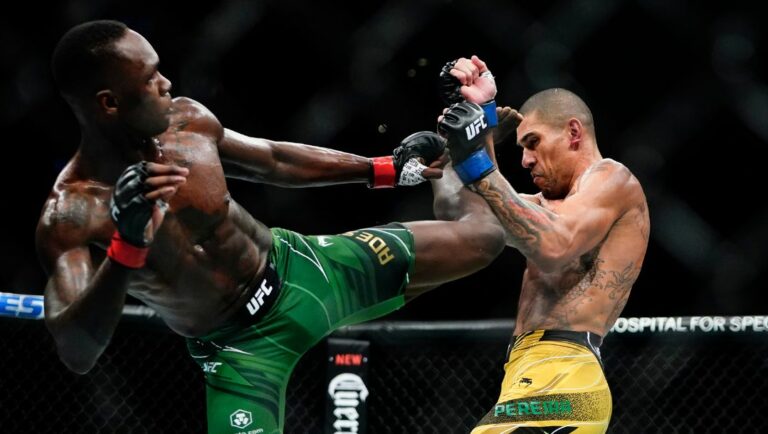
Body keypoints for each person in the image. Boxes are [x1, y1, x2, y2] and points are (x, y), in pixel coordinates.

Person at [37, 21, 506, 433]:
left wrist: (380, 168)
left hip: (301, 269)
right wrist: (127, 246)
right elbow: (76, 350)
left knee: (485, 238)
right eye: (150, 77)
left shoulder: (187, 121)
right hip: (238, 351)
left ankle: (467, 127)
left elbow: (274, 159)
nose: (166, 82)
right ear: (109, 103)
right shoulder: (72, 214)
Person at [437, 56, 650, 433]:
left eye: (532, 143)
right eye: (519, 148)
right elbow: (459, 212)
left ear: (573, 132)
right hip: (526, 373)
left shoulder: (612, 180)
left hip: (565, 373)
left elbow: (554, 247)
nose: (525, 160)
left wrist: (477, 163)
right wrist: (468, 131)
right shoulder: (543, 207)